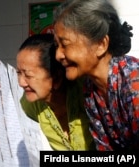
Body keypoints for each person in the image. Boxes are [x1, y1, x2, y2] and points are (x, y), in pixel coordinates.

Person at [53, 0, 139, 150]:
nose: (58, 55)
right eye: (56, 46)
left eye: (65, 44)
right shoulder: (91, 90)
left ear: (100, 44)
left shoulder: (133, 82)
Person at [16, 33, 95, 150]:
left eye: (28, 75)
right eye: (18, 73)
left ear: (56, 77)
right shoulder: (29, 105)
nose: (21, 83)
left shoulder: (88, 95)